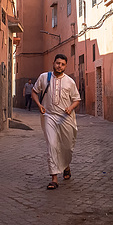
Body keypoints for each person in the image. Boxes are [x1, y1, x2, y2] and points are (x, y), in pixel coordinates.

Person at [31, 54, 81, 190]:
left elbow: (76, 99)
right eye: (58, 63)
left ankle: (66, 166)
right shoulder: (44, 77)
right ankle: (54, 178)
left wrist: (70, 108)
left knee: (66, 146)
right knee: (52, 145)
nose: (60, 66)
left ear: (66, 66)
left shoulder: (70, 81)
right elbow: (34, 92)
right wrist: (39, 105)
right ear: (53, 63)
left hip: (65, 118)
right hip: (49, 116)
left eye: (63, 64)